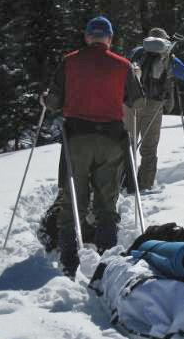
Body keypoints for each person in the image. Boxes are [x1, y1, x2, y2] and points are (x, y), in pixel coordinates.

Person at [42, 16, 144, 279]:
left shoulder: (70, 61)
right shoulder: (123, 65)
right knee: (106, 204)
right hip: (111, 140)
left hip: (76, 138)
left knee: (73, 201)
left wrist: (46, 99)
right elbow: (138, 102)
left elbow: (53, 101)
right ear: (109, 39)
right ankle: (107, 267)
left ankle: (68, 262)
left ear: (88, 37)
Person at [124, 27, 184, 192]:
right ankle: (144, 186)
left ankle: (123, 182)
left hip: (130, 104)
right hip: (153, 106)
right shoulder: (168, 56)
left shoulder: (136, 52)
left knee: (127, 145)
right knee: (149, 148)